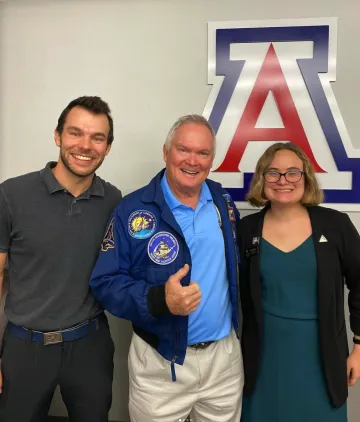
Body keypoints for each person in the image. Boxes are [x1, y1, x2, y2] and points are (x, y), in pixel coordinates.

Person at [90, 114, 244, 422]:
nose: (192, 160)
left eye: (203, 153)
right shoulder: (132, 210)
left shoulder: (222, 202)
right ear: (165, 152)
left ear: (212, 159)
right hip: (162, 362)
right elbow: (105, 282)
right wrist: (159, 300)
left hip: (223, 359)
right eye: (183, 149)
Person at [0, 96, 122, 422]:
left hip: (89, 344)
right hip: (25, 346)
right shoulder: (11, 195)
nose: (86, 145)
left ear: (108, 147)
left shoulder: (113, 200)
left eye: (97, 137)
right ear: (57, 136)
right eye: (75, 133)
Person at [237, 142, 360, 422]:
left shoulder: (336, 225)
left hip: (322, 360)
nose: (283, 181)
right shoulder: (246, 230)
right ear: (261, 178)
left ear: (306, 178)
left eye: (293, 172)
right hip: (262, 361)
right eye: (273, 173)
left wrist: (359, 349)